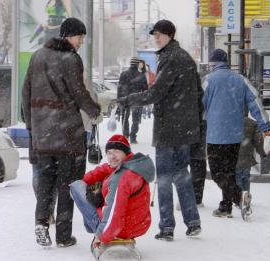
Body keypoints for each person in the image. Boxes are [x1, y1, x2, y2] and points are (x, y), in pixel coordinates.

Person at [116, 19, 204, 241]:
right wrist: (195, 123)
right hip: (184, 128)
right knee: (182, 174)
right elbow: (198, 93)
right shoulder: (185, 58)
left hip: (169, 128)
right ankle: (193, 222)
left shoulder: (170, 58)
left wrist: (126, 100)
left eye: (160, 35)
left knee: (164, 177)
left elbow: (156, 93)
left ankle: (167, 227)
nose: (156, 39)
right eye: (154, 35)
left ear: (170, 36)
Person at [22, 17, 100, 247]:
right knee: (67, 184)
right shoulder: (70, 59)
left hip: (43, 135)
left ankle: (41, 223)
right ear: (68, 35)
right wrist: (94, 110)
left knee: (46, 181)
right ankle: (63, 236)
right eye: (80, 37)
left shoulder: (37, 56)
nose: (81, 42)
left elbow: (26, 94)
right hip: (67, 135)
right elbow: (79, 92)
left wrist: (31, 126)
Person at [203, 48, 270, 218]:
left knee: (217, 173)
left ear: (212, 64)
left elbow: (198, 105)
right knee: (228, 172)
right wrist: (266, 128)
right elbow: (256, 103)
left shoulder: (208, 81)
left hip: (216, 135)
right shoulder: (241, 80)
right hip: (236, 135)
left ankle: (238, 196)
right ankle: (225, 207)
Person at [69, 135, 155, 246]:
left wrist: (101, 235)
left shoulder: (122, 177)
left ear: (126, 152)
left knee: (76, 187)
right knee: (84, 185)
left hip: (121, 228)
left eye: (116, 151)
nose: (112, 156)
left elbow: (114, 212)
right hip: (138, 224)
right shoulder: (133, 166)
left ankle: (97, 228)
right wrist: (88, 180)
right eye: (109, 153)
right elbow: (107, 168)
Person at [236, 115, 266, 217]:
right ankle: (246, 198)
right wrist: (262, 151)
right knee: (245, 177)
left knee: (237, 177)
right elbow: (258, 140)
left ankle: (239, 198)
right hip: (247, 156)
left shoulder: (230, 120)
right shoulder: (252, 123)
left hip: (233, 155)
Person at [117, 57, 148, 144]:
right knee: (136, 119)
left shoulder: (124, 74)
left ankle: (125, 136)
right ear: (137, 64)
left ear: (130, 64)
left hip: (125, 99)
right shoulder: (141, 75)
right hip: (137, 100)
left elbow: (119, 87)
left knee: (125, 118)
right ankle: (133, 137)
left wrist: (119, 99)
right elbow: (145, 89)